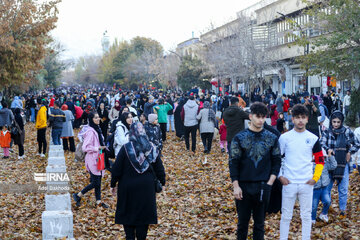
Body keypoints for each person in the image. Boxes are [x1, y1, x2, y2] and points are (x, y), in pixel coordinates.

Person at [229, 102, 281, 240]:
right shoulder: (239, 138)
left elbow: (277, 162)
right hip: (244, 186)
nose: (261, 120)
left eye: (263, 117)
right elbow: (233, 163)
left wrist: (270, 183)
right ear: (250, 117)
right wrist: (236, 186)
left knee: (260, 224)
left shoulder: (272, 138)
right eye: (258, 116)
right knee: (242, 225)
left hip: (263, 185)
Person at [110, 122, 166, 240]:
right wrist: (163, 182)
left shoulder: (126, 148)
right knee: (143, 217)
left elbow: (116, 169)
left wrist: (113, 184)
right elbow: (159, 168)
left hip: (127, 187)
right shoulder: (151, 148)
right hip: (146, 188)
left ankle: (130, 237)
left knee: (128, 215)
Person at [278, 104, 325, 240]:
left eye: (303, 118)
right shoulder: (284, 138)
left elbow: (320, 160)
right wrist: (281, 176)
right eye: (297, 117)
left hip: (306, 183)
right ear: (292, 119)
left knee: (306, 215)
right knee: (286, 215)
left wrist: (315, 178)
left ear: (307, 119)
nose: (300, 120)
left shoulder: (313, 138)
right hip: (289, 183)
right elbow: (277, 159)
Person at [320, 111, 360, 217]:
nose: (336, 124)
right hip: (330, 163)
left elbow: (357, 143)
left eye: (338, 122)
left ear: (341, 122)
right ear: (331, 121)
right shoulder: (327, 132)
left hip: (343, 163)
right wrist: (328, 150)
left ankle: (342, 210)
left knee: (343, 188)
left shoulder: (346, 131)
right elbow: (321, 143)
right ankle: (326, 208)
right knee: (327, 188)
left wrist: (349, 152)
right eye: (334, 122)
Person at [73, 112, 109, 208]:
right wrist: (97, 148)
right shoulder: (90, 131)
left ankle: (98, 201)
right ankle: (78, 195)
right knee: (96, 182)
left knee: (98, 181)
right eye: (96, 118)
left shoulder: (97, 129)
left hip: (100, 157)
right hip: (93, 159)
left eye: (98, 117)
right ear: (91, 119)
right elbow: (85, 147)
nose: (98, 119)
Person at [311, 152, 337, 224]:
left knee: (327, 201)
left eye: (324, 157)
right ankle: (312, 219)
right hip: (315, 189)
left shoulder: (325, 164)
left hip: (324, 188)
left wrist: (330, 156)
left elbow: (334, 165)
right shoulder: (310, 165)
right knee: (314, 206)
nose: (323, 158)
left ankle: (323, 214)